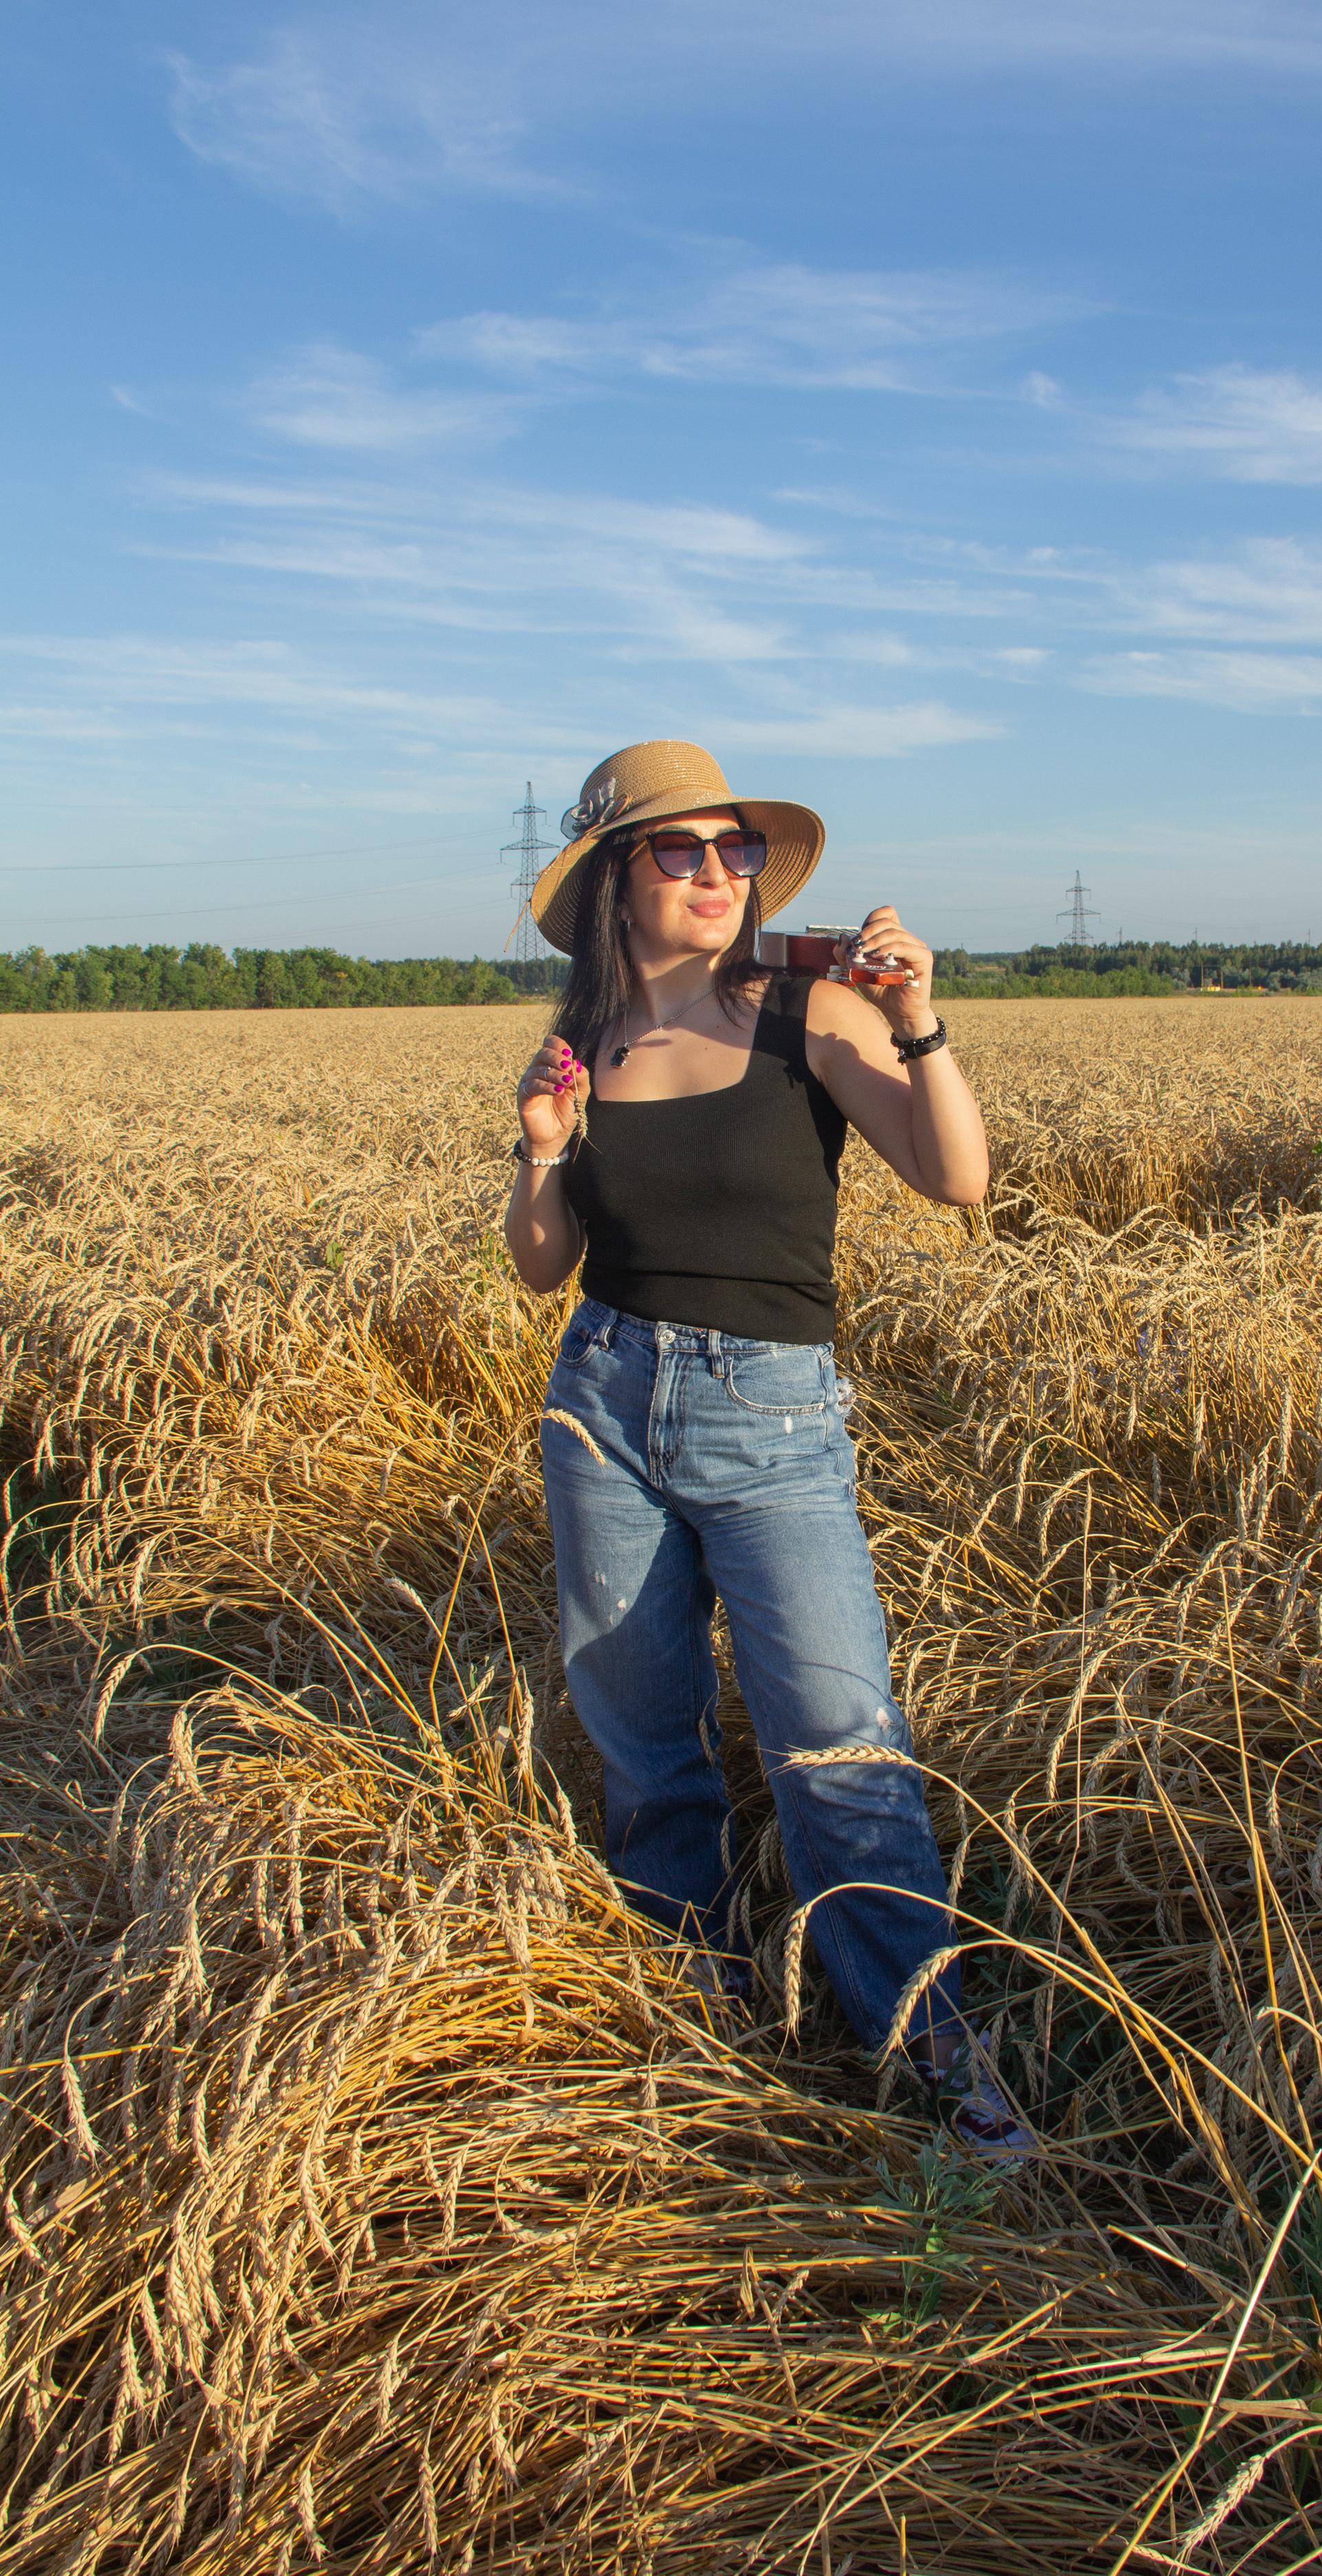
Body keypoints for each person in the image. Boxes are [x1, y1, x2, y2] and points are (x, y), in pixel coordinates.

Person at [503, 739, 1030, 2158]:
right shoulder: (585, 1046)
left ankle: (934, 2056)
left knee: (838, 1744)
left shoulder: (808, 1012)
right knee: (644, 1743)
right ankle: (684, 2025)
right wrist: (543, 1146)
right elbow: (539, 1268)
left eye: (735, 849)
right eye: (683, 850)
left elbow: (955, 1178)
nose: (719, 874)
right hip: (600, 1404)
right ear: (617, 878)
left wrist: (920, 1022)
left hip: (769, 1414)